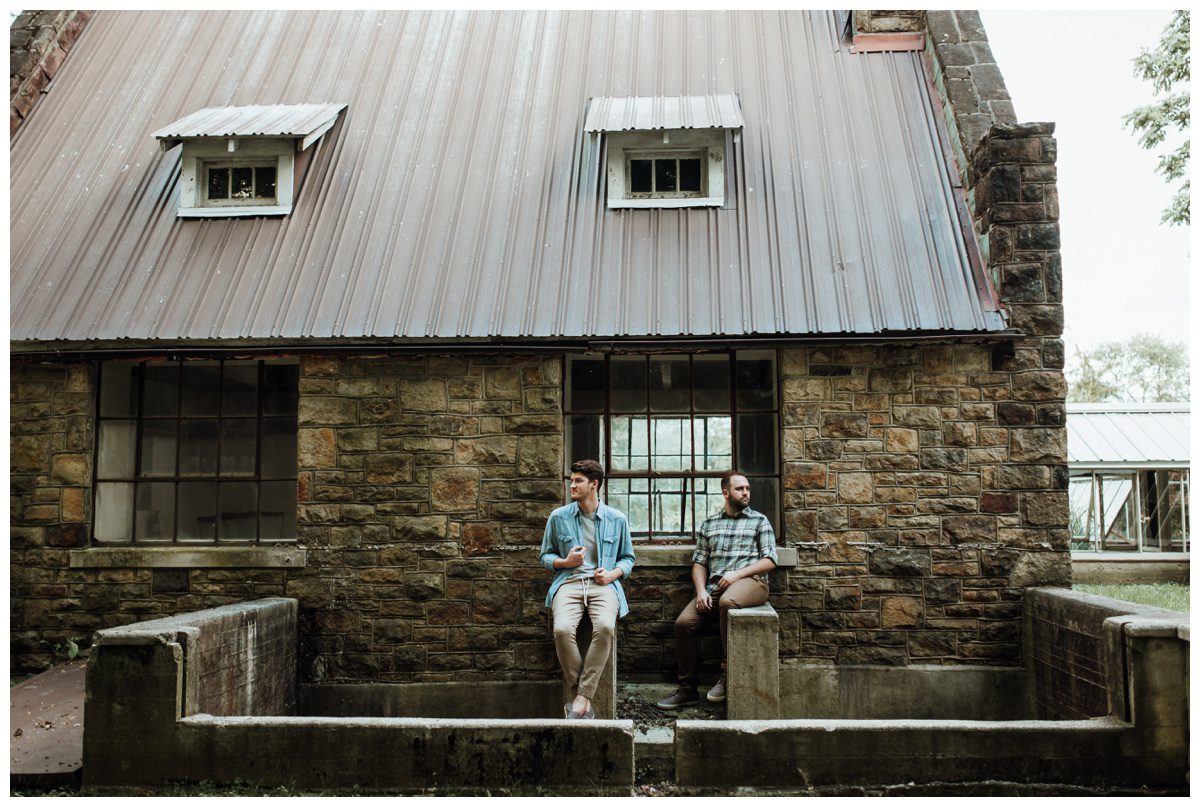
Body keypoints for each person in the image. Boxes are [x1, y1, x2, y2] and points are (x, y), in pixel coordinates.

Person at [656, 470, 777, 710]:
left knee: (728, 601)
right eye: (740, 489)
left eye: (747, 488)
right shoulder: (709, 524)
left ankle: (726, 673)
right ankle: (687, 689)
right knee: (684, 624)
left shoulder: (759, 521)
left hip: (752, 584)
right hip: (714, 588)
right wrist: (701, 591)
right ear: (725, 493)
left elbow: (770, 560)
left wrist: (736, 575)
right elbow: (699, 562)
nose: (746, 493)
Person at [540, 459, 635, 719]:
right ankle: (581, 693)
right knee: (561, 630)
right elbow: (545, 557)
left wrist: (612, 574)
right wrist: (566, 562)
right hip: (569, 583)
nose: (572, 485)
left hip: (603, 585)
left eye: (578, 481)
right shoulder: (558, 517)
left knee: (605, 627)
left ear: (594, 485)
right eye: (571, 480)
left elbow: (628, 558)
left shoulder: (617, 519)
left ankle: (582, 698)